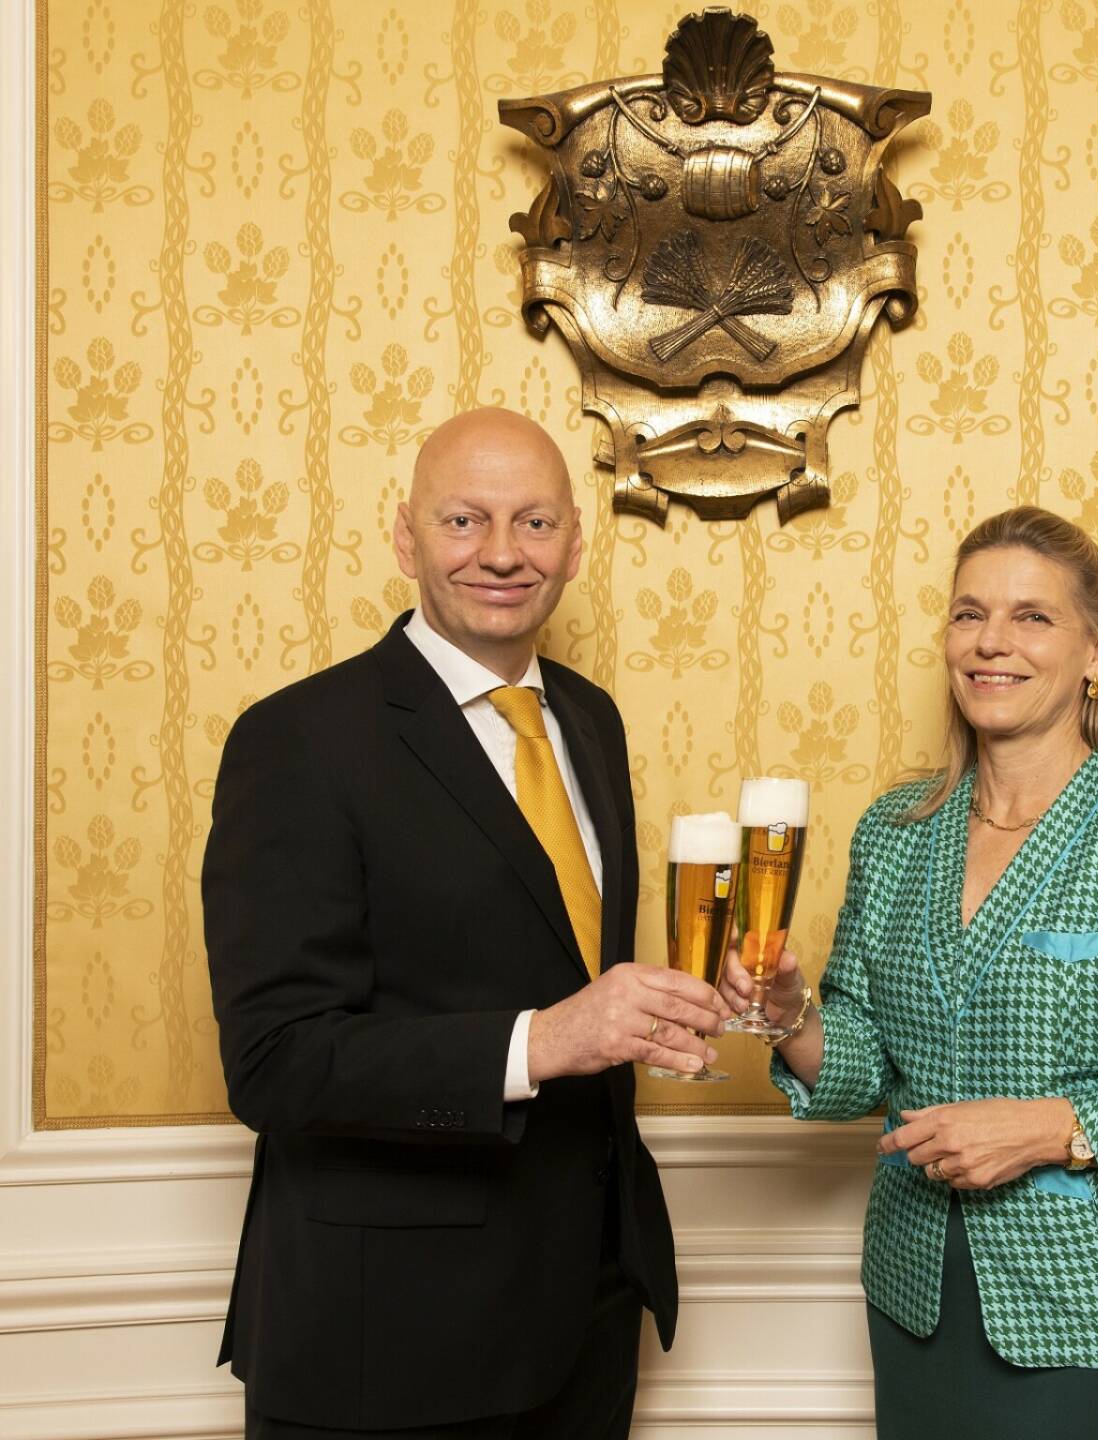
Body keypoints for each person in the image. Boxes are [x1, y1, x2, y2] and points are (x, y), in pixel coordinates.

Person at [203, 406, 729, 1439]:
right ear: (405, 537)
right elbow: (273, 1061)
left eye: (534, 523)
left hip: (587, 1311)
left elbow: (553, 953)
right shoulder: (299, 741)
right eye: (463, 520)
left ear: (574, 543)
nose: (501, 553)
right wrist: (545, 1040)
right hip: (390, 1338)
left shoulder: (589, 717)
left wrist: (663, 1015)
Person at [722, 506, 1098, 1438]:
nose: (991, 642)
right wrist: (791, 1019)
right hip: (919, 1307)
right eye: (968, 614)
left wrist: (1051, 1129)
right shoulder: (897, 831)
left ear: (1097, 652)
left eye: (1032, 617)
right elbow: (869, 1065)